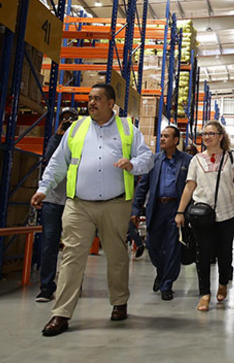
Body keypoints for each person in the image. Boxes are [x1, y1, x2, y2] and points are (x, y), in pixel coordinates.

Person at [32, 83, 153, 337]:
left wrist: (132, 164)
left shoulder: (127, 130)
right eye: (90, 98)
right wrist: (44, 188)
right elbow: (58, 162)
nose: (91, 103)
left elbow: (147, 158)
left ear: (111, 104)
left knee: (117, 256)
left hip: (115, 203)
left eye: (97, 99)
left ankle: (119, 301)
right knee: (71, 257)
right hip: (79, 204)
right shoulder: (76, 129)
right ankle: (61, 313)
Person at [175, 120, 234, 312]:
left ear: (220, 136)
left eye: (211, 133)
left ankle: (223, 283)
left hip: (227, 214)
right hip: (202, 216)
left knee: (225, 253)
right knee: (203, 255)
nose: (207, 137)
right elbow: (189, 186)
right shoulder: (196, 160)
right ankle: (204, 294)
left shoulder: (231, 157)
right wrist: (180, 211)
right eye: (205, 133)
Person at [131, 125, 191, 301]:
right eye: (161, 136)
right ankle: (161, 271)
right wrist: (136, 208)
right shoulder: (154, 160)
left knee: (172, 248)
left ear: (176, 140)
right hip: (156, 208)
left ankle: (167, 284)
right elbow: (143, 186)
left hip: (176, 209)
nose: (162, 139)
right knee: (153, 246)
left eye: (166, 136)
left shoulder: (187, 161)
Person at [34, 107, 78, 303]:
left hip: (74, 199)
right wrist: (59, 136)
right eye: (65, 119)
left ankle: (72, 285)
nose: (68, 122)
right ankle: (46, 287)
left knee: (74, 246)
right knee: (49, 243)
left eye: (71, 120)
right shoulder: (54, 139)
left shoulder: (81, 141)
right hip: (52, 199)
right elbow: (48, 160)